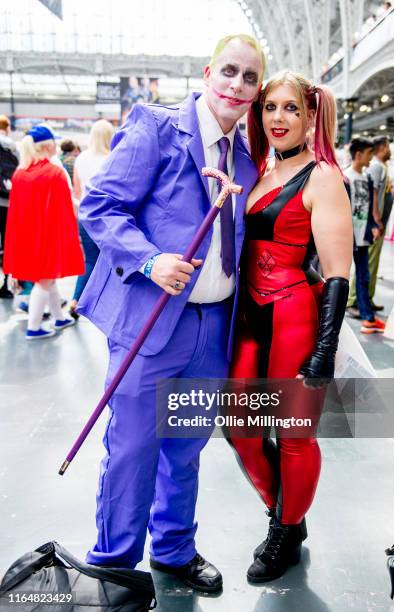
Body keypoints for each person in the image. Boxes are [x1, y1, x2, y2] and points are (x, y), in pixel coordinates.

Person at [76, 34, 266, 592]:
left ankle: (174, 550)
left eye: (250, 77)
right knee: (133, 449)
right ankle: (112, 566)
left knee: (185, 448)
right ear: (209, 73)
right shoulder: (157, 129)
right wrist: (151, 259)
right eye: (229, 71)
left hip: (212, 327)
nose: (237, 84)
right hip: (151, 321)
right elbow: (100, 206)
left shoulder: (246, 160)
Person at [226, 70, 353, 583]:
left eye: (291, 109)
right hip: (250, 318)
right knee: (240, 428)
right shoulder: (258, 169)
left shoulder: (322, 177)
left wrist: (324, 350)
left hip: (296, 319)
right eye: (270, 107)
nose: (278, 118)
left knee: (296, 435)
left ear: (311, 116)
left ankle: (285, 527)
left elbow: (339, 272)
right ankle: (286, 514)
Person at [3, 125, 84, 339]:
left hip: (27, 236)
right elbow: (64, 210)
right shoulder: (54, 173)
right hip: (49, 236)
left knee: (49, 280)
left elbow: (16, 212)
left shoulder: (20, 173)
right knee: (44, 281)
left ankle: (60, 317)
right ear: (48, 146)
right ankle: (34, 327)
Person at [69, 119, 115, 319]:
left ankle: (75, 300)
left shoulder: (81, 159)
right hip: (109, 217)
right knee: (114, 262)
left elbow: (77, 191)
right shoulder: (113, 157)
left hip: (85, 215)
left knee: (90, 261)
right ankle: (110, 307)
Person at [347, 135, 392, 315]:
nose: (370, 157)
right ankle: (347, 305)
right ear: (358, 155)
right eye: (368, 153)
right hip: (347, 233)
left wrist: (374, 224)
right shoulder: (345, 177)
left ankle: (365, 310)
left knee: (364, 274)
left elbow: (371, 202)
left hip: (363, 234)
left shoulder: (367, 177)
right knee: (341, 274)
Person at [0, 114, 19, 299]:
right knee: (6, 243)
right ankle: (6, 284)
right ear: (7, 128)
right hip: (7, 203)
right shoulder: (13, 147)